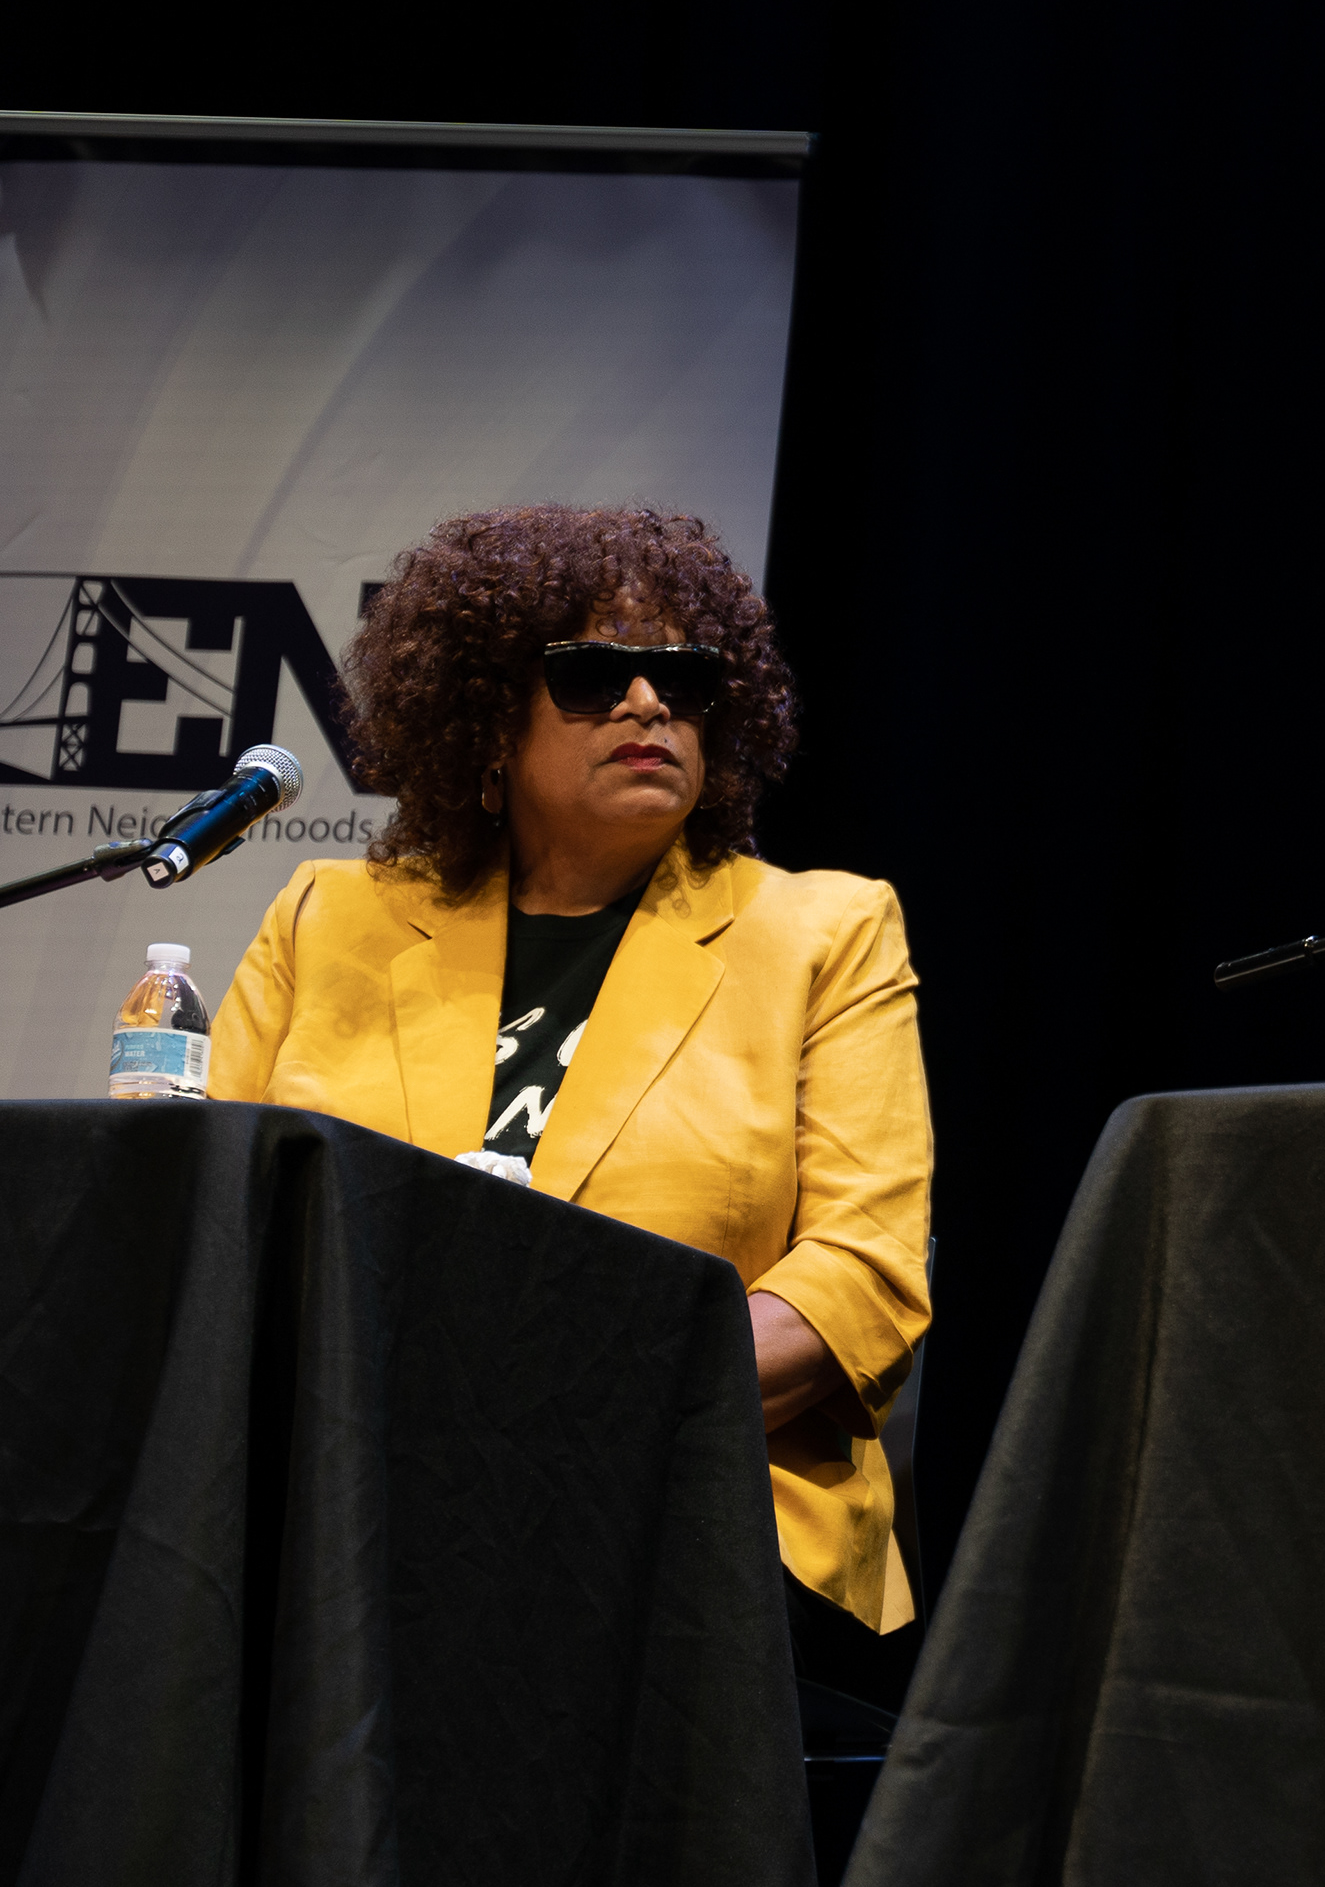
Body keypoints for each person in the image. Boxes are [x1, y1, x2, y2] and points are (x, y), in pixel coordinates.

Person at [208, 503, 934, 1643]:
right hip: (341, 1501)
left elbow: (861, 1278)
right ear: (487, 716)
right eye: (596, 673)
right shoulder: (329, 916)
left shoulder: (825, 931)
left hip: (679, 1518)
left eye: (682, 678)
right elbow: (217, 1221)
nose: (648, 703)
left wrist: (556, 1414)